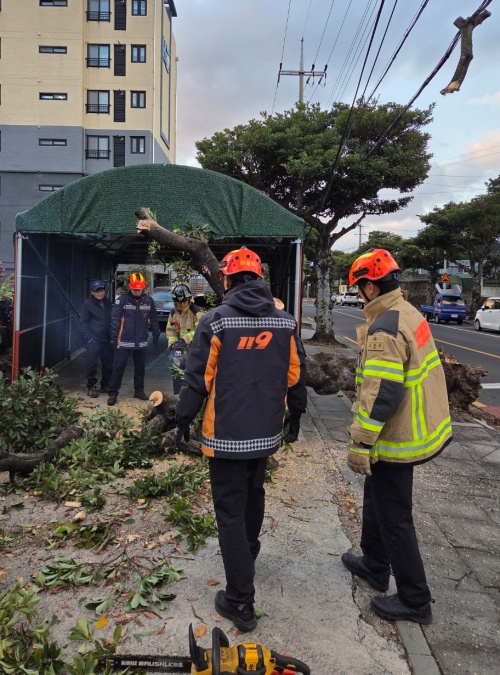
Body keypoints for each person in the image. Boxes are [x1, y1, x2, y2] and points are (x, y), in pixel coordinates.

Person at [175, 246, 307, 632]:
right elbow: (296, 374)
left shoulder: (215, 322)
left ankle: (239, 600)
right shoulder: (285, 322)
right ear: (259, 280)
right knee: (254, 494)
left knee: (230, 512)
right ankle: (247, 556)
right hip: (266, 433)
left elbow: (197, 379)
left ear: (228, 280)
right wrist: (296, 414)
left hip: (226, 436)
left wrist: (182, 419)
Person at [341, 249, 453, 626]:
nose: (358, 295)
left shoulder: (385, 328)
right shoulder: (407, 311)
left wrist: (361, 442)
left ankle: (415, 599)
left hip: (398, 436)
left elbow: (382, 394)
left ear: (371, 287)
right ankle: (374, 565)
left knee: (394, 517)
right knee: (375, 498)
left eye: (359, 288)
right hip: (413, 425)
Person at [107, 272, 160, 405]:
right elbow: (115, 319)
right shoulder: (122, 300)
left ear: (143, 288)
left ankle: (139, 391)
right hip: (124, 341)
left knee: (140, 368)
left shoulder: (148, 300)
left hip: (141, 340)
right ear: (130, 287)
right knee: (118, 367)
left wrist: (156, 333)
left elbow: (153, 317)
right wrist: (113, 337)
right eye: (135, 289)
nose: (137, 291)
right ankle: (112, 393)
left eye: (139, 289)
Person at [79, 280, 114, 398]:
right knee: (92, 365)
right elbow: (83, 322)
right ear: (92, 292)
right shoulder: (87, 304)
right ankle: (91, 386)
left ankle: (105, 385)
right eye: (97, 291)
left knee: (108, 364)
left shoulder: (108, 303)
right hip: (94, 340)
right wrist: (89, 338)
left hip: (107, 339)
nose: (100, 293)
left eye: (102, 290)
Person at [166, 283, 202, 394]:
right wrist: (172, 344)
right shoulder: (173, 313)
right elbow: (171, 330)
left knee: (193, 378)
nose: (181, 305)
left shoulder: (196, 312)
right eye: (178, 302)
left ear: (189, 299)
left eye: (184, 302)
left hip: (194, 351)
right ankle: (177, 397)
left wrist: (185, 339)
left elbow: (200, 330)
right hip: (179, 351)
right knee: (177, 376)